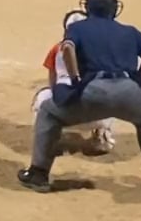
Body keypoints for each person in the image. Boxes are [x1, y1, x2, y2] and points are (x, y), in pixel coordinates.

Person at [20, 0, 141, 193]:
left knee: (48, 112)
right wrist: (139, 76)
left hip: (93, 91)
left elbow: (67, 48)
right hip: (129, 90)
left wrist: (75, 78)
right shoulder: (129, 30)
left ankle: (38, 174)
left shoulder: (78, 28)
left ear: (87, 8)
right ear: (115, 9)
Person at [32, 9, 115, 155]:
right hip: (96, 117)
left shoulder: (56, 49)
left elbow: (53, 83)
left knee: (42, 97)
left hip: (63, 115)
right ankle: (101, 138)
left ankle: (49, 139)